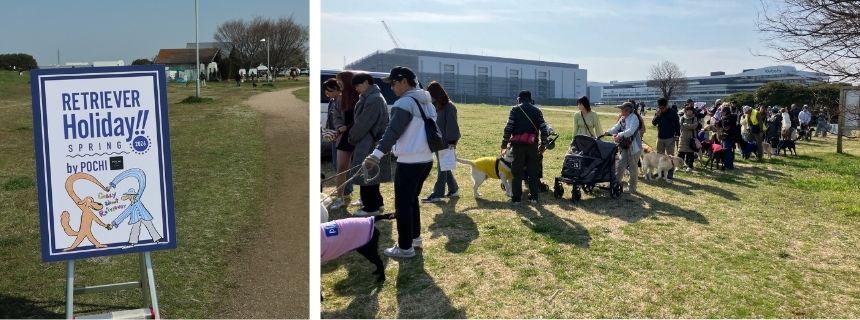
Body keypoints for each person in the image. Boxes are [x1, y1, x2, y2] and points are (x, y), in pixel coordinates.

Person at [362, 66, 436, 259]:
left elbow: (392, 132)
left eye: (394, 83)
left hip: (410, 161)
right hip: (426, 159)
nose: (392, 87)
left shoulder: (404, 103)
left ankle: (405, 248)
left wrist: (375, 155)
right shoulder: (428, 102)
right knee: (411, 201)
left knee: (403, 204)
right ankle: (415, 239)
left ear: (404, 82)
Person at [349, 73, 390, 216]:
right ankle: (377, 203)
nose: (356, 89)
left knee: (366, 174)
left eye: (358, 85)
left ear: (366, 82)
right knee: (372, 175)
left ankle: (370, 207)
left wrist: (352, 137)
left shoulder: (373, 99)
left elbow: (363, 124)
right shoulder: (373, 97)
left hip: (368, 142)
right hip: (370, 141)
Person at [501, 90, 549, 204]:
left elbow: (509, 128)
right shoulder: (537, 111)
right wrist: (543, 145)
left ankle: (516, 198)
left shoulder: (515, 110)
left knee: (517, 172)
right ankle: (534, 197)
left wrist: (504, 144)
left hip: (517, 146)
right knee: (533, 172)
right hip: (532, 145)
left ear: (519, 99)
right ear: (530, 99)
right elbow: (544, 129)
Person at [422, 81, 461, 203]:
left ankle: (437, 194)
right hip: (438, 142)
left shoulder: (449, 106)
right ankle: (454, 189)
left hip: (447, 142)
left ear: (437, 94)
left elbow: (452, 126)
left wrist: (452, 142)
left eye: (431, 94)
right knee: (445, 166)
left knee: (442, 168)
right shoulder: (437, 106)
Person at [329, 71, 358, 210]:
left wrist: (347, 126)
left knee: (359, 167)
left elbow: (361, 118)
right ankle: (339, 198)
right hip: (343, 137)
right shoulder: (339, 99)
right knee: (341, 168)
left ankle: (364, 197)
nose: (338, 84)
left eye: (340, 82)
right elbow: (336, 116)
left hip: (358, 136)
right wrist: (340, 126)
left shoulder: (359, 97)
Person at [604, 102, 643, 194]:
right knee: (620, 165)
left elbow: (630, 131)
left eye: (622, 109)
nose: (621, 111)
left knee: (633, 168)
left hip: (634, 147)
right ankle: (615, 184)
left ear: (628, 110)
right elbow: (616, 127)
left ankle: (632, 188)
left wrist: (619, 135)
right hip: (625, 146)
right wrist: (608, 132)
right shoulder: (622, 118)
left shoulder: (634, 118)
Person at [651, 97, 680, 180]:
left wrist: (677, 134)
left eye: (662, 108)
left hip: (670, 138)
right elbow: (653, 123)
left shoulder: (673, 112)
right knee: (660, 156)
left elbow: (677, 124)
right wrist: (658, 116)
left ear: (666, 106)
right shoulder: (658, 112)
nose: (661, 109)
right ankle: (660, 172)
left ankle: (670, 173)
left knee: (670, 157)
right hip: (660, 137)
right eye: (659, 107)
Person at [678, 105, 699, 172]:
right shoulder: (682, 118)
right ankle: (678, 166)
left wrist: (686, 125)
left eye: (691, 110)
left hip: (691, 138)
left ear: (693, 111)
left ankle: (690, 166)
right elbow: (681, 127)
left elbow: (695, 126)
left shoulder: (694, 118)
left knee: (690, 153)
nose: (689, 112)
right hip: (683, 137)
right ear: (685, 111)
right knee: (681, 153)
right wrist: (689, 126)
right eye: (688, 110)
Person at [720, 104, 740, 170]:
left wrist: (720, 123)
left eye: (722, 111)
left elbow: (726, 128)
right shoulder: (733, 117)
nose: (721, 112)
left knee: (726, 151)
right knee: (731, 151)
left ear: (725, 112)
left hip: (727, 136)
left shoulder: (725, 118)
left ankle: (728, 166)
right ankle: (730, 165)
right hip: (733, 136)